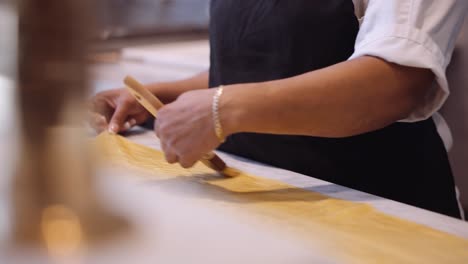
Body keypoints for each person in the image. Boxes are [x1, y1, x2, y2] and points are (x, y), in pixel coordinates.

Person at [90, 0, 468, 218]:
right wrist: (162, 98)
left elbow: (393, 81)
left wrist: (223, 109)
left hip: (374, 208)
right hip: (258, 193)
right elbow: (267, 64)